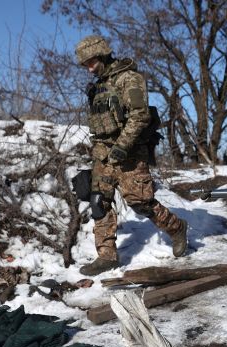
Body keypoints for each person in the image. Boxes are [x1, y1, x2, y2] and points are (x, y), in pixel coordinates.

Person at [75, 35, 188, 276]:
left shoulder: (129, 78)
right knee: (99, 202)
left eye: (91, 62)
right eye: (85, 65)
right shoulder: (97, 87)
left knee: (140, 202)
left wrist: (122, 146)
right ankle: (107, 256)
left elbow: (140, 116)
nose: (89, 69)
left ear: (103, 55)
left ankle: (177, 228)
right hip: (103, 154)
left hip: (130, 152)